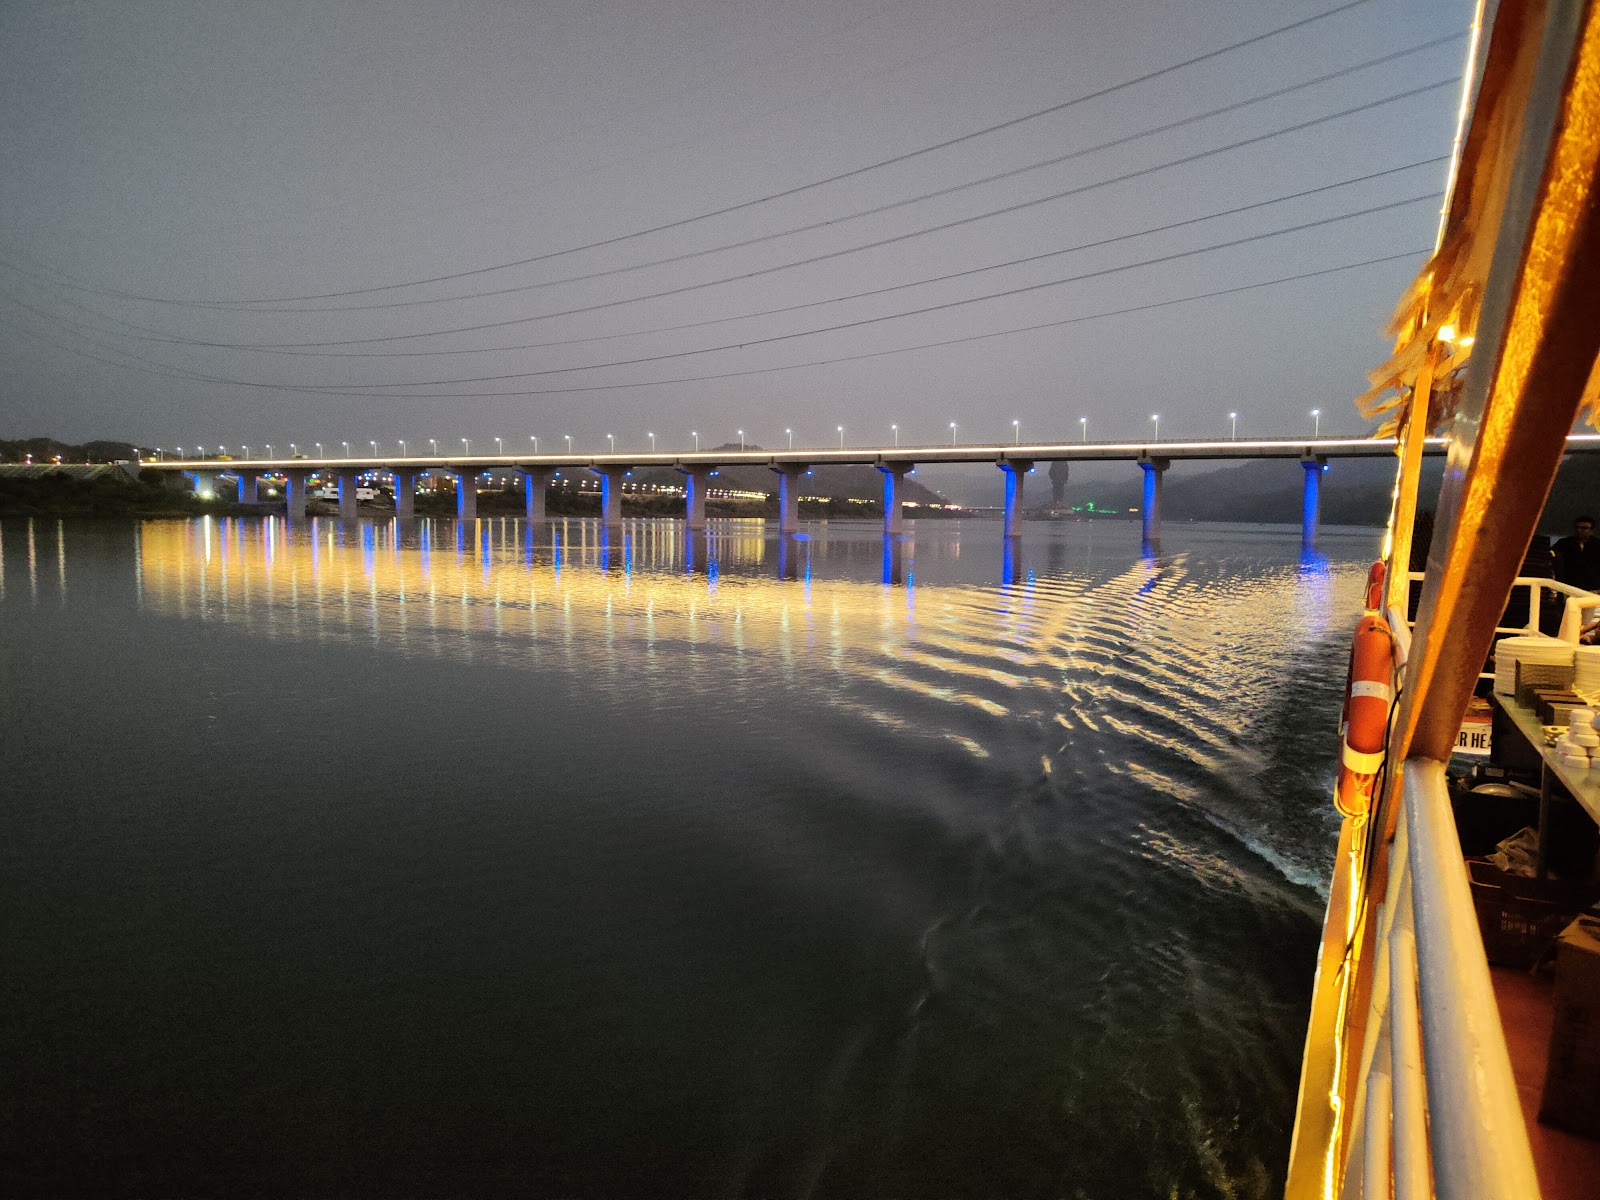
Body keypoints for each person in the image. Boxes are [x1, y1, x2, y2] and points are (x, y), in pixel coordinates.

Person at [1553, 515, 1600, 591]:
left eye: (1584, 528)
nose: (1579, 530)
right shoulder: (1563, 543)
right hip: (1569, 586)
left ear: (1592, 531)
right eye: (1577, 527)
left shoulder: (1598, 545)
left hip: (1593, 588)